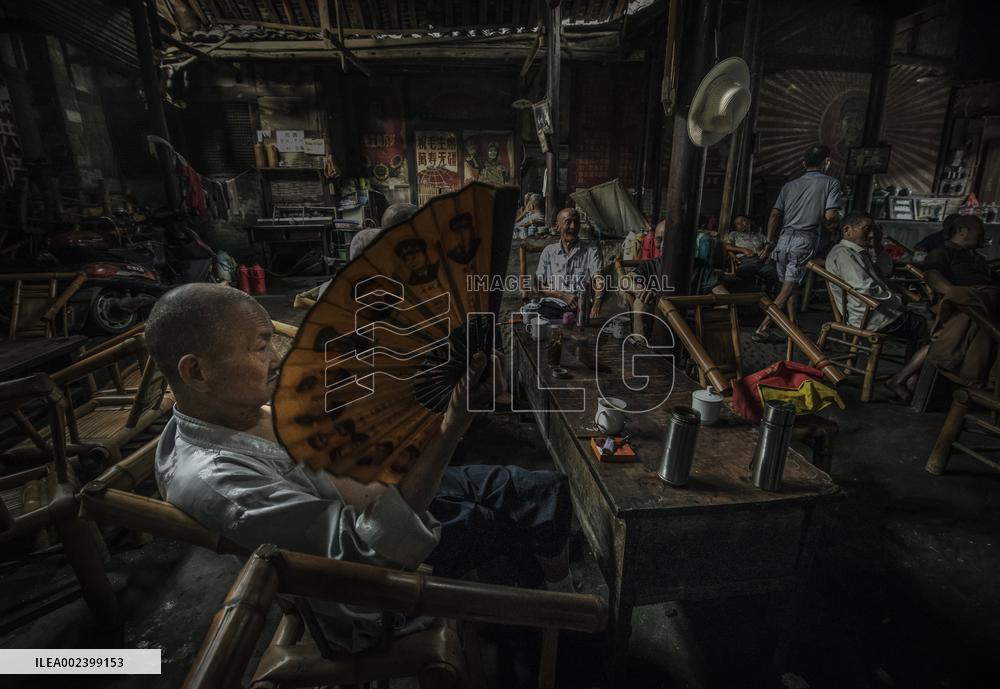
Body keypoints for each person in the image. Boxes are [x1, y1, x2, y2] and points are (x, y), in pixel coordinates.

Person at [148, 284, 575, 652]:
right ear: (197, 371)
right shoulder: (220, 481)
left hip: (383, 495)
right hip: (378, 580)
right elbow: (371, 554)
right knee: (504, 529)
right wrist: (451, 426)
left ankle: (550, 591)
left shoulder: (226, 406)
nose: (277, 356)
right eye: (261, 346)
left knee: (539, 487)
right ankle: (542, 630)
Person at [825, 212, 931, 402]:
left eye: (874, 229)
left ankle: (908, 377)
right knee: (926, 326)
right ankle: (906, 379)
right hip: (869, 317)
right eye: (867, 229)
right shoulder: (844, 253)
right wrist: (897, 301)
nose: (872, 233)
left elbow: (884, 272)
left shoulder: (858, 252)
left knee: (920, 326)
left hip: (874, 312)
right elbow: (866, 287)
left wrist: (878, 246)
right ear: (847, 230)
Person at [753, 145, 844, 342]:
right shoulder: (831, 183)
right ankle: (763, 327)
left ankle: (792, 325)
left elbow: (775, 214)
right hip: (804, 240)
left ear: (803, 163)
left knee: (790, 286)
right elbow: (831, 215)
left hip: (783, 240)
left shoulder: (788, 186)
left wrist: (769, 242)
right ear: (826, 162)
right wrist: (835, 221)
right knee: (787, 290)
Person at [533, 207, 606, 318]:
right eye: (568, 222)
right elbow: (538, 286)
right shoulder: (549, 251)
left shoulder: (591, 250)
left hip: (580, 308)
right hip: (552, 305)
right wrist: (562, 295)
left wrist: (596, 304)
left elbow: (599, 280)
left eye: (576, 222)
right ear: (557, 226)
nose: (573, 226)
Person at [922, 215, 997, 291]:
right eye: (979, 228)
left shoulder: (979, 258)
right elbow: (931, 275)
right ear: (962, 231)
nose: (983, 233)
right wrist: (956, 293)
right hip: (965, 300)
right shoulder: (941, 253)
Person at [725, 214, 778, 289]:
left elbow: (771, 245)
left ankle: (768, 295)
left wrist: (766, 251)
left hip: (761, 261)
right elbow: (727, 246)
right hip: (745, 260)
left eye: (742, 221)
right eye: (737, 224)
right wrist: (743, 250)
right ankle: (756, 293)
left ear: (749, 222)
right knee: (745, 271)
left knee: (774, 272)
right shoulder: (734, 234)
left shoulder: (760, 235)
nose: (740, 225)